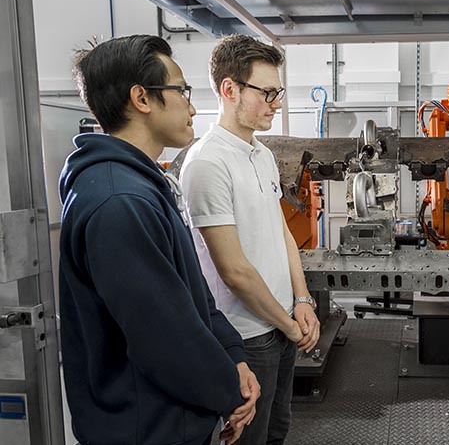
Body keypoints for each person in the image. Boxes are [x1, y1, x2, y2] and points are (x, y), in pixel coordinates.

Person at [59, 34, 258, 445]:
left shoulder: (142, 185)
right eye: (181, 90)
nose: (192, 105)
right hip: (145, 428)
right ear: (142, 99)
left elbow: (194, 294)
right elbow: (165, 336)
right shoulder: (118, 201)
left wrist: (234, 356)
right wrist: (229, 393)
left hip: (173, 418)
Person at [180, 34, 321, 445]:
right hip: (246, 336)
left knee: (277, 432)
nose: (277, 102)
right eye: (269, 92)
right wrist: (291, 327)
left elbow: (282, 234)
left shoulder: (261, 154)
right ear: (230, 89)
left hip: (282, 324)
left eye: (279, 91)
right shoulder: (207, 162)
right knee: (250, 438)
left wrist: (302, 301)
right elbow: (234, 272)